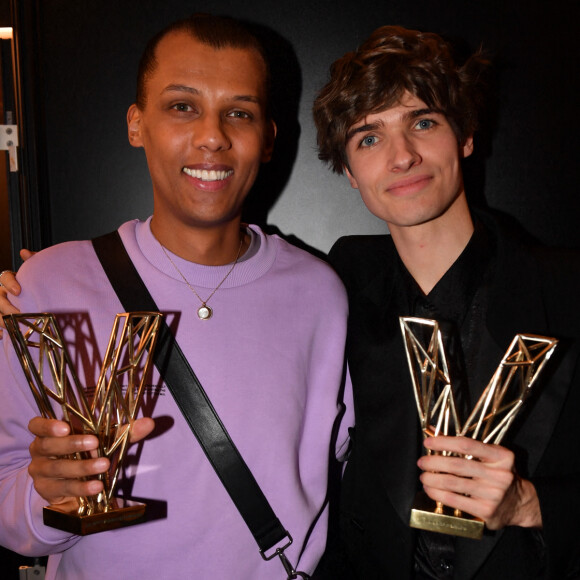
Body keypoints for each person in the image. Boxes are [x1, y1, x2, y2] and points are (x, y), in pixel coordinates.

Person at [0, 14, 352, 579]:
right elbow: (6, 502)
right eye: (183, 106)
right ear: (137, 124)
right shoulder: (47, 285)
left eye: (239, 112)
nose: (213, 135)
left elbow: (353, 474)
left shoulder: (321, 296)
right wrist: (48, 497)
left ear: (268, 140)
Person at [313, 25, 580, 579]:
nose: (402, 156)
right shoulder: (331, 291)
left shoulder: (567, 288)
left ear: (466, 135)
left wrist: (532, 505)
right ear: (347, 171)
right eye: (368, 138)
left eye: (424, 122)